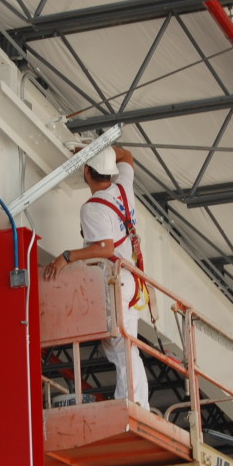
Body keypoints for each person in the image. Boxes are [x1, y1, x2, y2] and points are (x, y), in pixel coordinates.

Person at [43, 145, 150, 408]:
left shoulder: (92, 208)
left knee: (119, 347)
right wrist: (98, 148)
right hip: (131, 280)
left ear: (87, 171)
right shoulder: (123, 188)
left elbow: (105, 248)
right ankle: (137, 403)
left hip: (115, 282)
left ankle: (130, 403)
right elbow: (127, 155)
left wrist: (67, 256)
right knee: (126, 345)